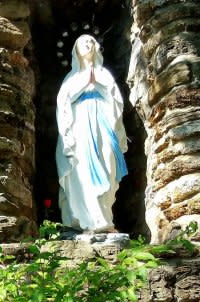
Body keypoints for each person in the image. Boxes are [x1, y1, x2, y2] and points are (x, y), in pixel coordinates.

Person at [56, 34, 128, 232]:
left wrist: (100, 85)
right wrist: (84, 84)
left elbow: (116, 102)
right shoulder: (71, 78)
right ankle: (90, 220)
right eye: (83, 42)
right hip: (80, 125)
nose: (88, 45)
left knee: (108, 164)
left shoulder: (104, 74)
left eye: (91, 42)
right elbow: (63, 106)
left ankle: (106, 216)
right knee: (83, 169)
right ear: (76, 51)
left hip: (102, 123)